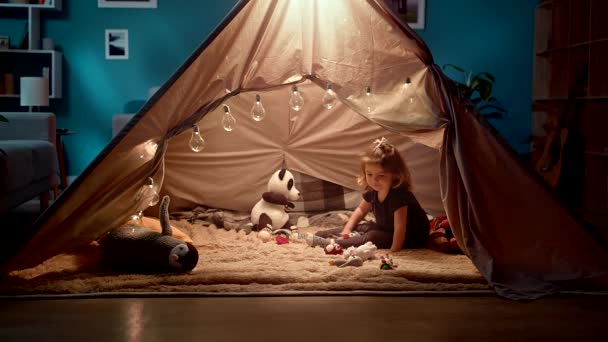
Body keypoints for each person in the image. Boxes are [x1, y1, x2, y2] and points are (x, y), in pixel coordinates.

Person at [305, 137, 429, 252]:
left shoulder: (399, 196)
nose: (374, 180)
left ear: (395, 174)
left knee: (372, 236)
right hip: (386, 228)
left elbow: (400, 228)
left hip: (411, 236)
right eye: (369, 174)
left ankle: (332, 243)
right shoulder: (374, 190)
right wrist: (347, 229)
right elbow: (360, 210)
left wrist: (394, 251)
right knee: (362, 227)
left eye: (381, 176)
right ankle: (318, 235)